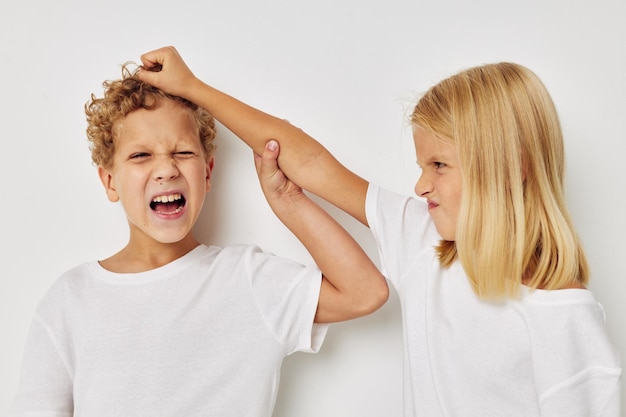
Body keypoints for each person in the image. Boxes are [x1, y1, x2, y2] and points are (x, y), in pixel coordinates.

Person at [136, 46, 622, 416]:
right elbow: (306, 159)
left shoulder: (562, 315)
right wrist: (193, 87)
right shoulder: (424, 242)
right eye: (421, 164)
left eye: (439, 164)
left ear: (509, 166)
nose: (420, 184)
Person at [9, 64, 389, 417]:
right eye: (141, 155)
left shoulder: (249, 280)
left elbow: (365, 292)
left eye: (183, 152)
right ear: (110, 181)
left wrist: (288, 200)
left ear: (207, 173)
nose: (166, 169)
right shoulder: (70, 299)